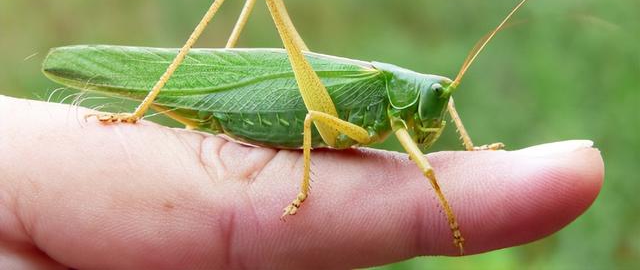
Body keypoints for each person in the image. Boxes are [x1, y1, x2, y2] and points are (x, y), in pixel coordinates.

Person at [0, 95, 603, 269]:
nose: (436, 114)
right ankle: (141, 105)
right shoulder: (381, 98)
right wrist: (303, 190)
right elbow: (316, 118)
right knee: (315, 112)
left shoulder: (408, 105)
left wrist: (471, 150)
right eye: (435, 101)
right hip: (283, 111)